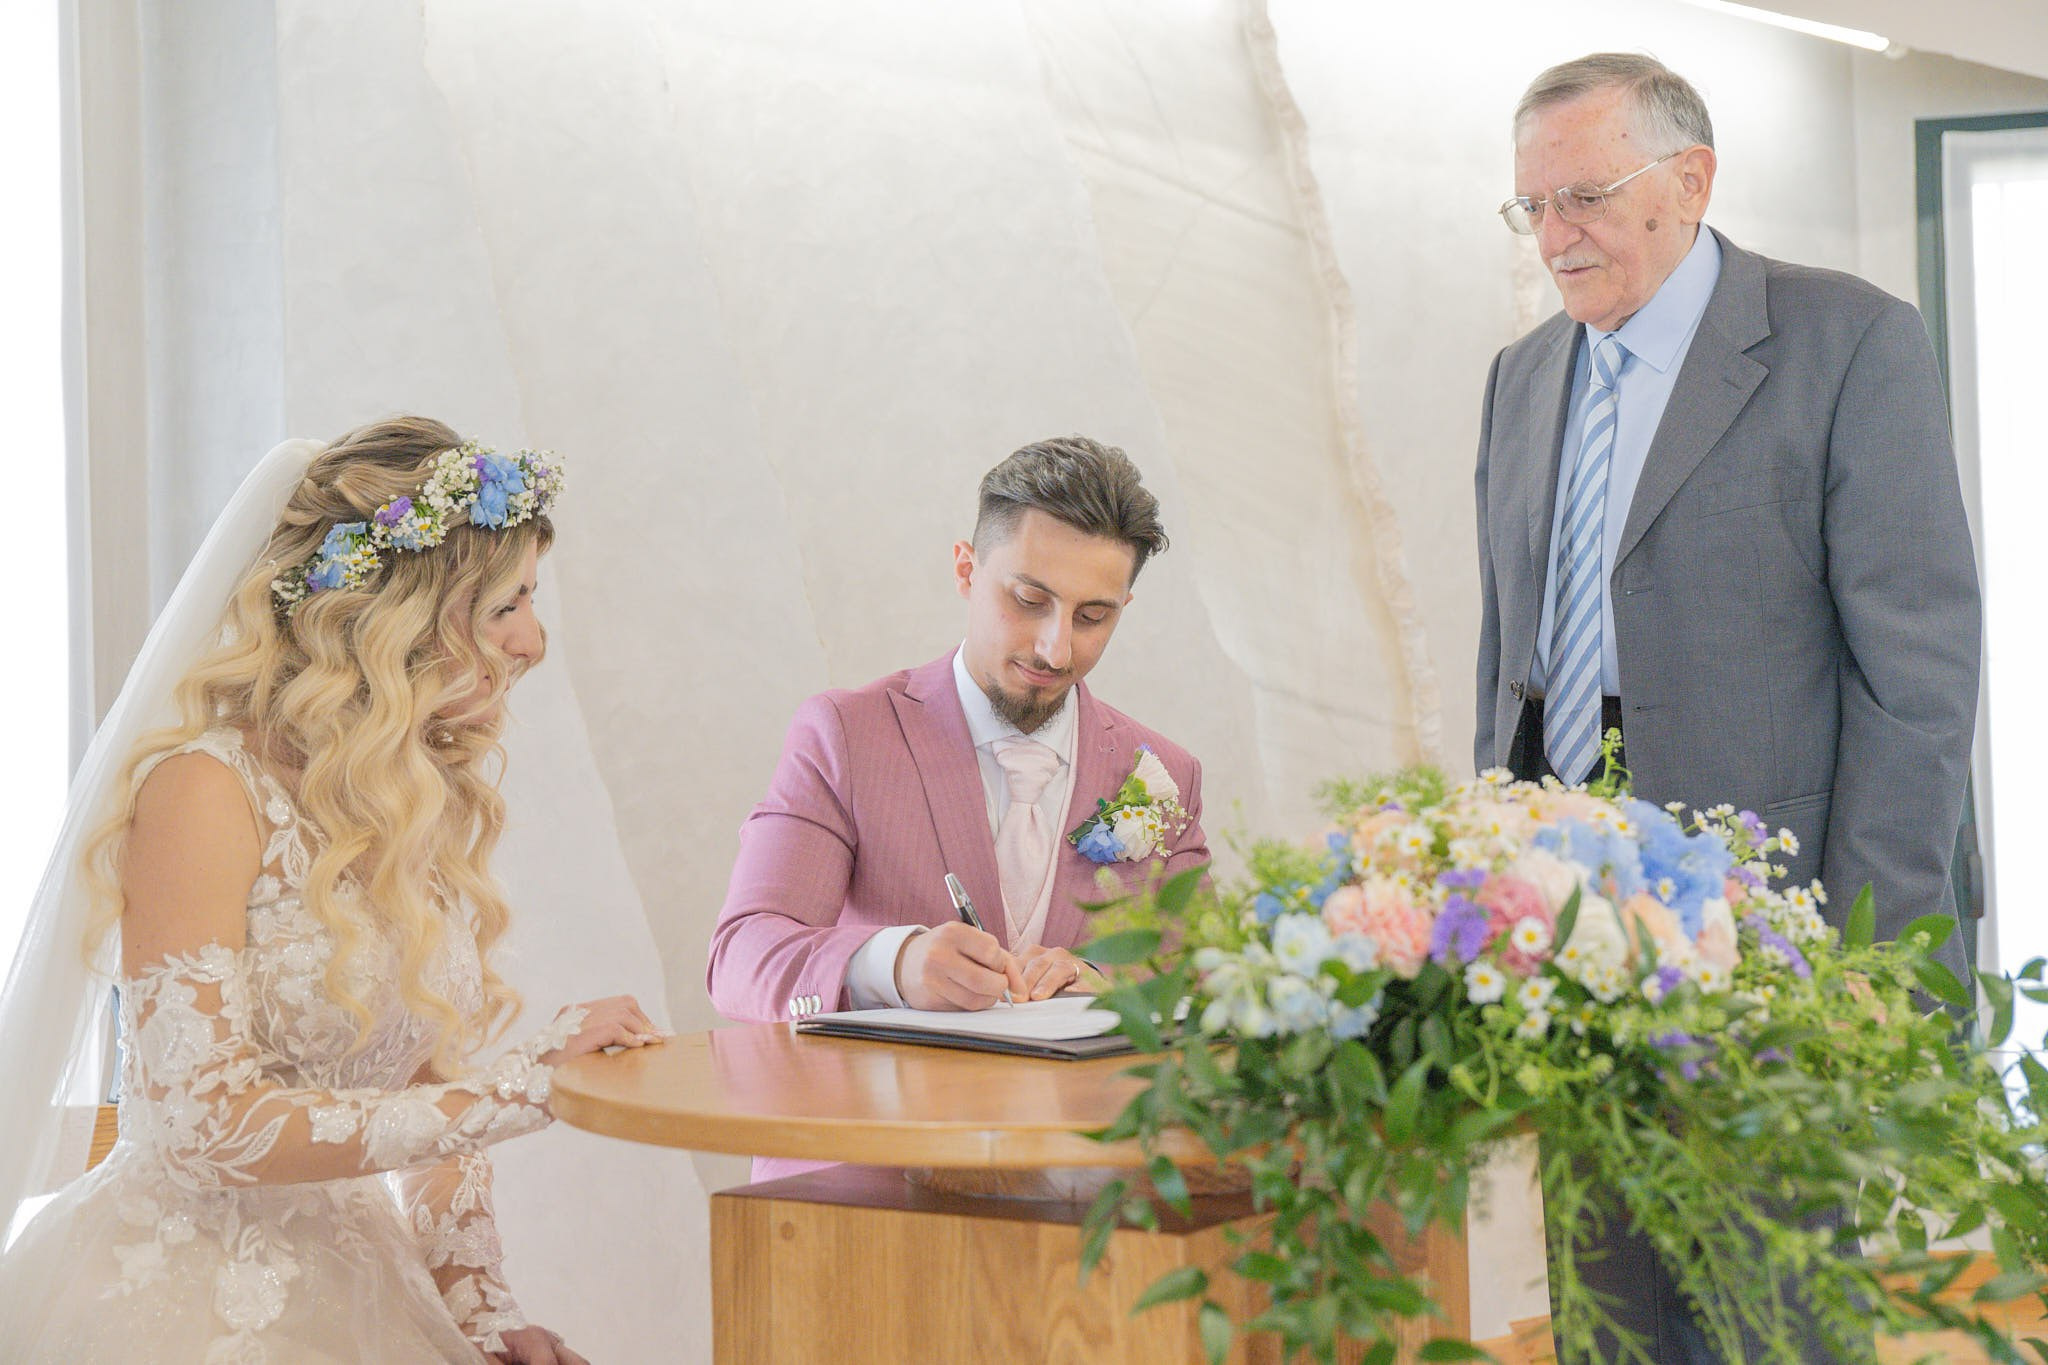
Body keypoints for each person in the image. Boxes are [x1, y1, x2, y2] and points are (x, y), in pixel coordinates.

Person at [1473, 53, 1980, 1361]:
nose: (1556, 236)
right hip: (1574, 946)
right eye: (1533, 206)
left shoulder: (1849, 341)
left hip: (1774, 942)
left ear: (1689, 182)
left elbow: (1915, 684)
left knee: (1773, 1321)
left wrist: (1872, 966)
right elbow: (1510, 662)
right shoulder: (1524, 377)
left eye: (1583, 195)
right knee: (1611, 1321)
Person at [0, 418, 665, 1364]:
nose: (534, 640)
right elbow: (206, 1124)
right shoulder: (202, 790)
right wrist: (529, 1085)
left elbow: (432, 1095)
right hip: (176, 1311)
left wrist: (481, 1312)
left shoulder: (402, 802)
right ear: (401, 611)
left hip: (369, 1295)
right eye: (507, 603)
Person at [707, 435, 1208, 1029]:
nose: (1056, 647)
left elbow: (1204, 980)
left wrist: (1103, 982)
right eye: (1028, 599)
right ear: (967, 570)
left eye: (1093, 617)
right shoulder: (845, 735)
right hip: (893, 1120)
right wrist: (893, 964)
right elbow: (740, 958)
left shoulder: (1163, 775)